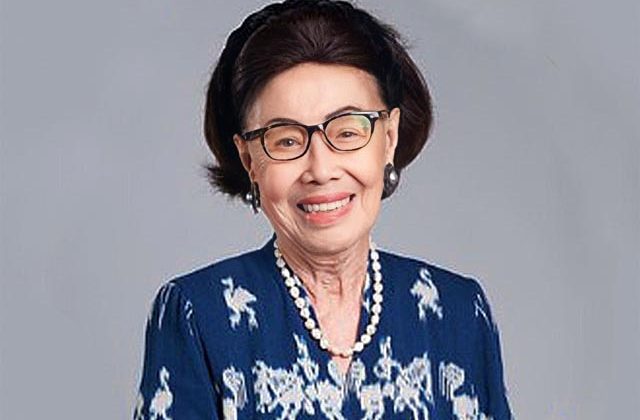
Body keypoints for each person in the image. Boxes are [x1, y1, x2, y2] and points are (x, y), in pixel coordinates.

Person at [133, 0, 513, 418]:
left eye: (347, 132)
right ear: (249, 160)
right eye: (286, 140)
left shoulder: (459, 312)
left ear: (388, 139)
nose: (321, 169)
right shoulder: (198, 314)